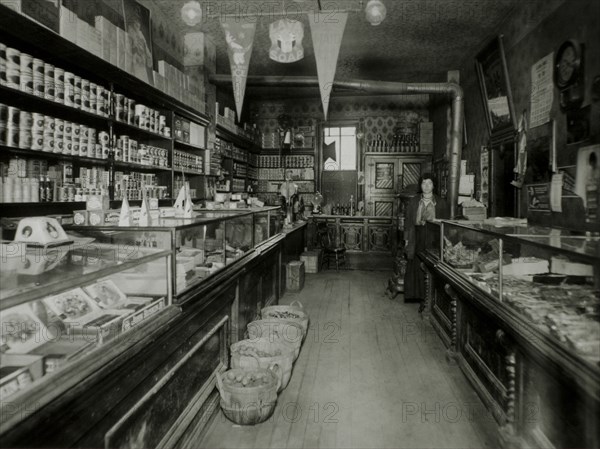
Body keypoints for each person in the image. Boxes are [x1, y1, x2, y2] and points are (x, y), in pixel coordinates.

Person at [404, 174, 449, 306]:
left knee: (431, 266)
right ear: (420, 185)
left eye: (429, 183)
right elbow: (408, 222)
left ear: (434, 185)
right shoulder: (414, 201)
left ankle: (431, 299)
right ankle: (420, 297)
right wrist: (407, 240)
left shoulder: (441, 203)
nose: (427, 186)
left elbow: (445, 225)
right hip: (416, 237)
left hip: (434, 238)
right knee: (416, 266)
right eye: (424, 183)